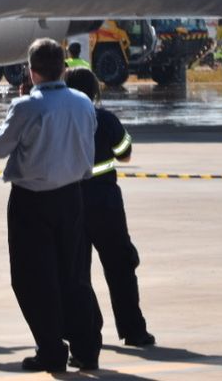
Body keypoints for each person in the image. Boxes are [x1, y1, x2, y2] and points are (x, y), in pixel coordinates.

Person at [0, 38, 102, 374]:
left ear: (31, 70)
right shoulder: (83, 103)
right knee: (74, 275)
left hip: (32, 200)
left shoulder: (28, 106)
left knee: (32, 278)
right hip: (72, 196)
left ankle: (51, 348)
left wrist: (20, 104)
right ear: (64, 68)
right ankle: (86, 348)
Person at [63, 67, 154, 347]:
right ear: (95, 92)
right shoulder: (105, 119)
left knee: (76, 272)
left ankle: (89, 330)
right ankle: (133, 330)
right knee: (120, 266)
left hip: (71, 201)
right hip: (105, 202)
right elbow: (125, 153)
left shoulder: (61, 121)